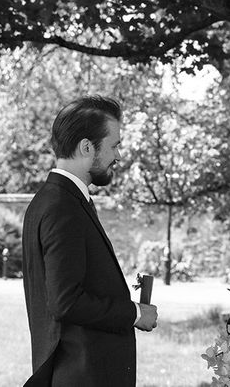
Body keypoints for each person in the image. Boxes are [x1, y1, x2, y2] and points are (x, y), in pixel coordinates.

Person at [21, 96, 158, 387]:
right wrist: (134, 314)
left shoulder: (54, 201)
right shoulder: (62, 207)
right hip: (82, 376)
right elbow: (65, 302)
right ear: (86, 147)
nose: (118, 156)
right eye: (114, 145)